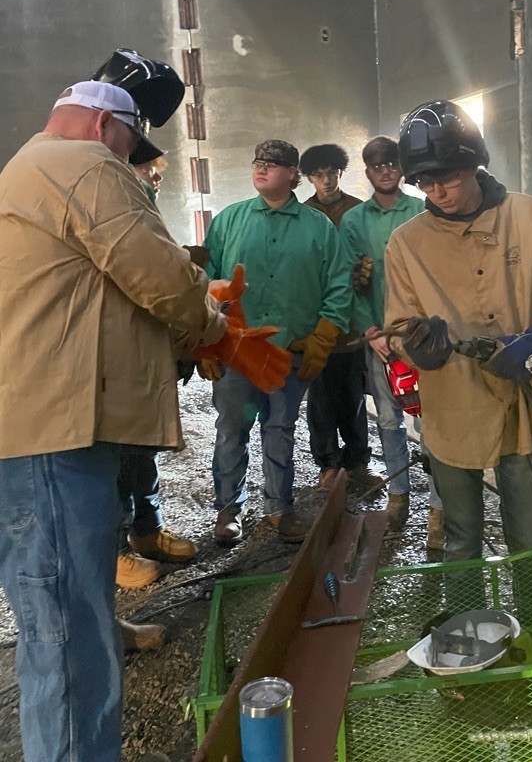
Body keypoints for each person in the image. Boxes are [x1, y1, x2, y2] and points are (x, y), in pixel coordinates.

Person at [0, 77, 226, 762]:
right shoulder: (85, 165)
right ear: (107, 128)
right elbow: (157, 273)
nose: (133, 162)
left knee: (59, 626)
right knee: (70, 640)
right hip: (50, 438)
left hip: (37, 431)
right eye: (132, 144)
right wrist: (212, 326)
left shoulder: (27, 168)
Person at [384, 100, 532, 611]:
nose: (437, 193)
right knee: (461, 537)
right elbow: (397, 327)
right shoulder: (405, 243)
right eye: (424, 184)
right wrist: (415, 345)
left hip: (524, 403)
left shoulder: (531, 217)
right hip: (453, 406)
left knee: (528, 538)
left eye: (447, 179)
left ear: (474, 162)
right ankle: (468, 631)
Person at [203, 139, 352, 546]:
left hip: (289, 351)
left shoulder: (318, 227)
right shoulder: (229, 221)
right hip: (237, 352)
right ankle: (228, 510)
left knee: (280, 429)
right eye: (257, 162)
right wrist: (203, 342)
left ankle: (279, 509)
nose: (261, 168)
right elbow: (205, 283)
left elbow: (338, 286)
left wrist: (323, 336)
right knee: (232, 429)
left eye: (272, 164)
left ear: (293, 175)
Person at [115, 141, 199, 589]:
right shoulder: (117, 219)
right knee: (114, 455)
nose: (156, 177)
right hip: (117, 357)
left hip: (150, 353)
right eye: (149, 170)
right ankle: (116, 551)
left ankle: (147, 531)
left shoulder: (149, 217)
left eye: (157, 170)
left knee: (143, 449)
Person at [339, 136, 428, 533]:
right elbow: (349, 282)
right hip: (379, 338)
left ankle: (441, 505)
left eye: (392, 163)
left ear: (403, 168)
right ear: (368, 171)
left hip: (423, 337)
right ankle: (399, 496)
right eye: (377, 166)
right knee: (389, 420)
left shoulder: (424, 212)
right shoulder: (355, 222)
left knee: (432, 418)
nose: (386, 171)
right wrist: (371, 331)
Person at [300, 143, 382, 490]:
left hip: (352, 320)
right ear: (309, 178)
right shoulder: (302, 215)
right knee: (319, 398)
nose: (326, 180)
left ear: (340, 173)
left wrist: (366, 274)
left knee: (353, 396)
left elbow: (369, 257)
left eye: (332, 173)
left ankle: (358, 462)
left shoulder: (358, 212)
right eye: (318, 174)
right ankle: (328, 465)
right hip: (316, 322)